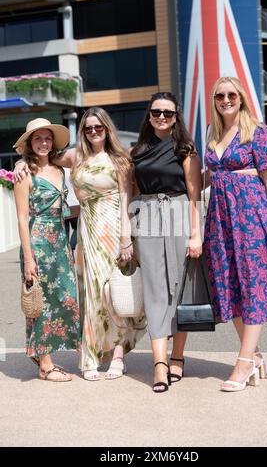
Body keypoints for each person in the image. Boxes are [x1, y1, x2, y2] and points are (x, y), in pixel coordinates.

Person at [14, 108, 146, 381]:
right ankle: (91, 353)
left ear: (107, 129)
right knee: (89, 293)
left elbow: (125, 200)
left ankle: (118, 355)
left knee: (114, 290)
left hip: (113, 228)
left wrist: (125, 237)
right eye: (88, 128)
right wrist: (20, 163)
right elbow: (43, 158)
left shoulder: (119, 158)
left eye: (98, 127)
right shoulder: (75, 156)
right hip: (87, 229)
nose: (94, 132)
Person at [204, 76, 267, 392]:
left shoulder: (257, 132)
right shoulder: (212, 133)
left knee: (254, 283)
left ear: (241, 98)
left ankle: (243, 362)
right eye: (219, 95)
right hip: (219, 219)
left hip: (250, 216)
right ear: (214, 100)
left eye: (231, 94)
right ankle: (253, 355)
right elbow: (205, 177)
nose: (225, 99)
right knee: (229, 284)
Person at [130, 92, 202, 393]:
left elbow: (194, 194)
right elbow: (129, 192)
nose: (162, 117)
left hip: (179, 215)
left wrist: (196, 233)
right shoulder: (136, 152)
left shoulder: (186, 151)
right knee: (155, 290)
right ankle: (159, 364)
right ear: (149, 115)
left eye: (168, 113)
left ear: (176, 117)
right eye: (156, 112)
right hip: (146, 216)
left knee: (181, 288)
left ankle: (177, 355)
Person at [13, 118, 81, 382]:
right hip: (37, 243)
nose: (43, 143)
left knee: (64, 297)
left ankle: (45, 354)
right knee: (40, 303)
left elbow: (65, 209)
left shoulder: (59, 170)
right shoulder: (24, 174)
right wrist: (28, 258)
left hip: (60, 240)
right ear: (30, 143)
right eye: (38, 138)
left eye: (47, 138)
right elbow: (21, 218)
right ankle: (45, 364)